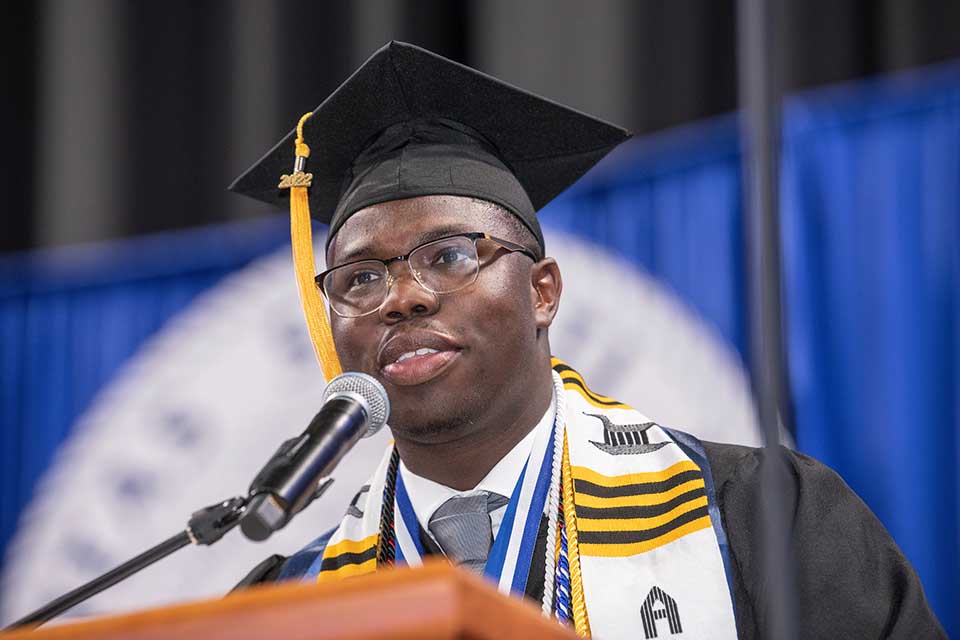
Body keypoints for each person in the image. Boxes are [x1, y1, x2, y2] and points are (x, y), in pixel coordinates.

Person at [229, 42, 944, 639]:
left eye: (449, 256)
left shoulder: (764, 522)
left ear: (543, 293)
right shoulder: (288, 606)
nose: (403, 297)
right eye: (359, 279)